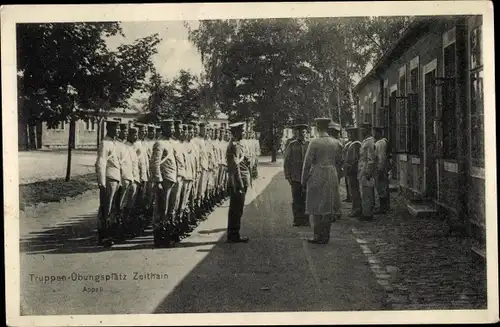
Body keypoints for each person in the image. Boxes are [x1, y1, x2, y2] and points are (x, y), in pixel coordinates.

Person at [301, 117, 342, 244]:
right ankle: (326, 235)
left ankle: (317, 235)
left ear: (317, 127)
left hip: (318, 173)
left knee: (316, 205)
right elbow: (340, 160)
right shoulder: (336, 142)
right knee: (328, 204)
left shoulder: (314, 142)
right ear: (328, 127)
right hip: (331, 172)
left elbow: (307, 162)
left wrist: (304, 179)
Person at [151, 119, 177, 247]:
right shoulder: (159, 143)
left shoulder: (170, 143)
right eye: (170, 127)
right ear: (164, 128)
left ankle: (166, 236)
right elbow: (155, 163)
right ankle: (159, 238)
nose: (172, 130)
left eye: (173, 127)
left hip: (171, 179)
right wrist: (158, 181)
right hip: (164, 180)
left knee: (169, 210)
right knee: (162, 210)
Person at [95, 120, 122, 247]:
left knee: (112, 209)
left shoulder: (113, 143)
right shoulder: (105, 143)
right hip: (109, 179)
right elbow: (101, 163)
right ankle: (104, 236)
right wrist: (102, 182)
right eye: (115, 129)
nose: (118, 131)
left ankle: (110, 234)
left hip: (116, 178)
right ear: (109, 129)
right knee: (106, 208)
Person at [226, 122, 251, 243]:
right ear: (236, 132)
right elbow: (235, 166)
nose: (244, 133)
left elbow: (240, 160)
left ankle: (234, 234)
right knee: (236, 209)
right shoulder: (234, 145)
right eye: (242, 131)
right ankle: (234, 235)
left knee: (236, 208)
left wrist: (247, 160)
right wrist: (240, 183)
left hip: (239, 180)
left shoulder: (237, 144)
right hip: (238, 181)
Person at [284, 124, 310, 227]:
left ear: (306, 133)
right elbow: (287, 161)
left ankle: (306, 219)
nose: (301, 134)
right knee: (296, 199)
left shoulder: (309, 144)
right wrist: (288, 176)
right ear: (296, 133)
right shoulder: (292, 145)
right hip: (295, 176)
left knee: (307, 199)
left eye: (303, 132)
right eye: (299, 132)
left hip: (307, 177)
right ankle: (298, 220)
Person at [358, 122, 376, 221]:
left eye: (364, 129)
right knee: (365, 192)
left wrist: (368, 172)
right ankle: (366, 211)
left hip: (366, 170)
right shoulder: (365, 141)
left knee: (367, 192)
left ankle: (367, 214)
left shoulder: (370, 142)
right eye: (361, 129)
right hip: (362, 169)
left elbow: (371, 159)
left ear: (368, 130)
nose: (362, 131)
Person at [343, 126, 362, 217]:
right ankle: (355, 208)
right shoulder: (351, 143)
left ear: (354, 134)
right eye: (348, 133)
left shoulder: (356, 144)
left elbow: (355, 159)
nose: (349, 135)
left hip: (353, 171)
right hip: (350, 170)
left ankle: (357, 209)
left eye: (350, 133)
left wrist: (351, 169)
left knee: (354, 191)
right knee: (352, 191)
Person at [373, 126, 390, 214]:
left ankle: (383, 208)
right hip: (382, 168)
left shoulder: (381, 143)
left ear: (379, 133)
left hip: (381, 169)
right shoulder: (382, 142)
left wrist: (380, 169)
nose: (374, 134)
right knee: (383, 187)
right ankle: (385, 206)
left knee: (381, 188)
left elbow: (381, 157)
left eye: (375, 132)